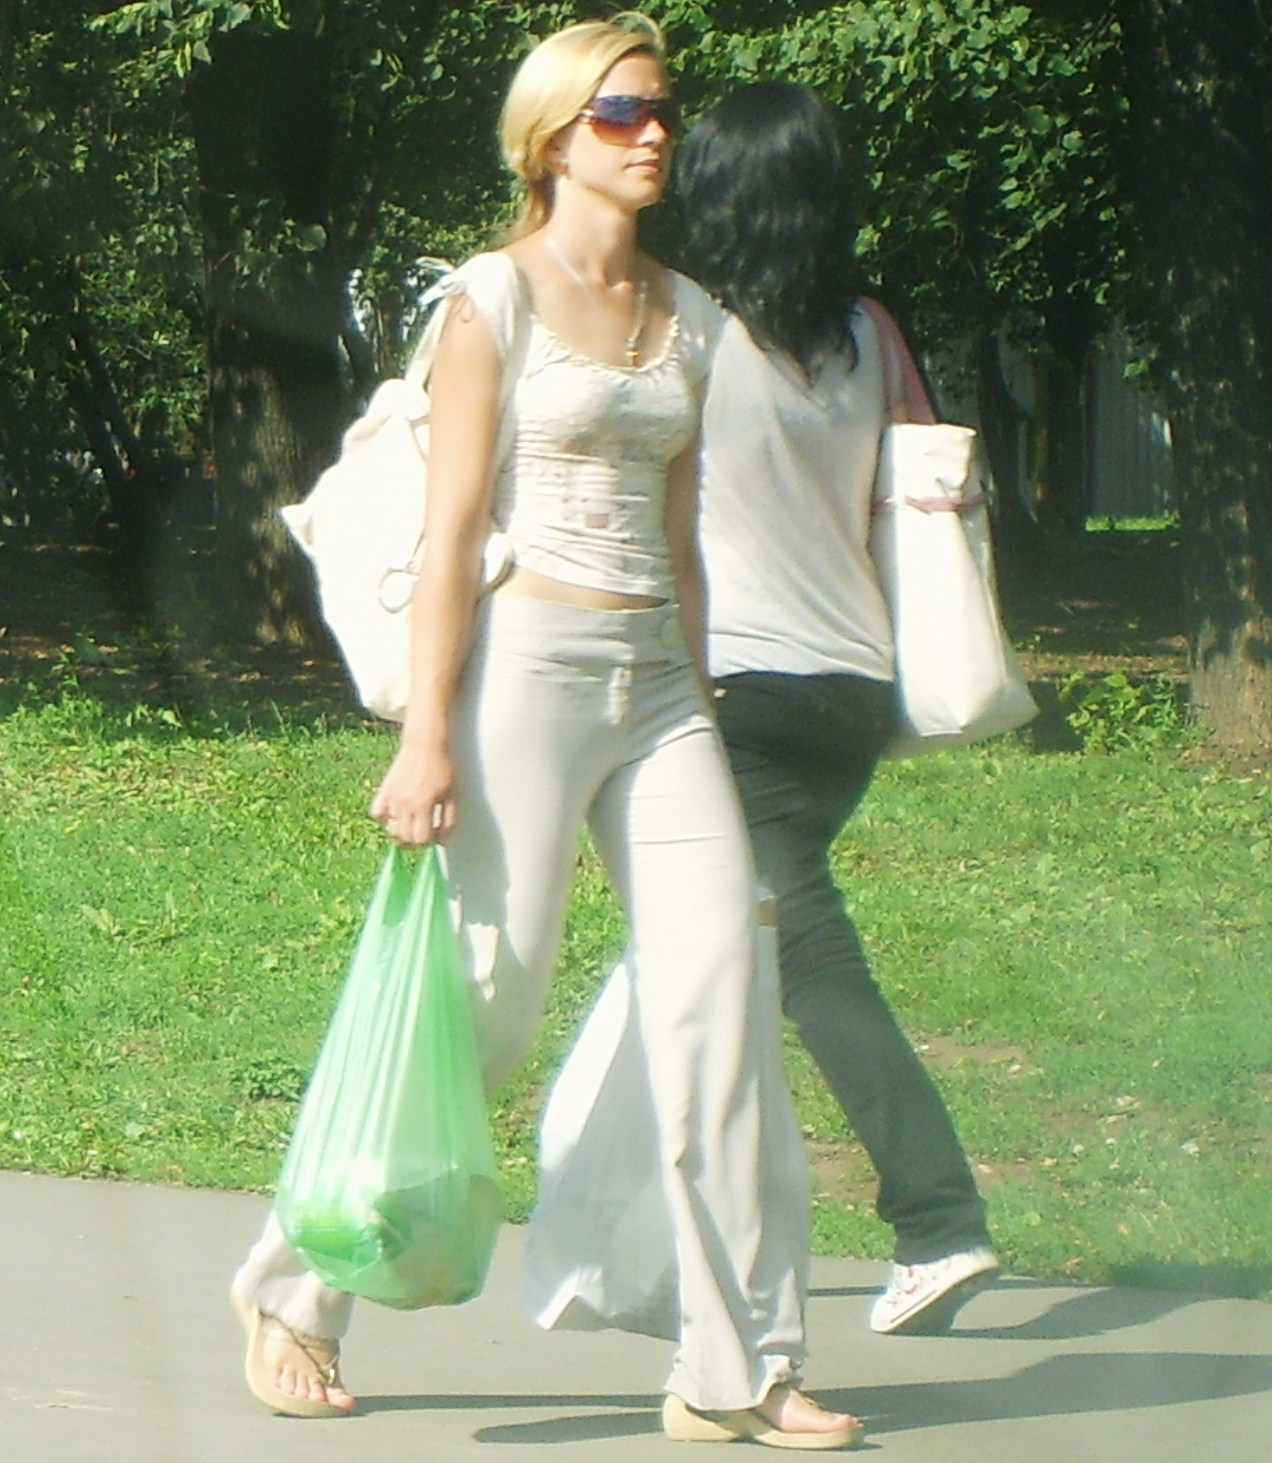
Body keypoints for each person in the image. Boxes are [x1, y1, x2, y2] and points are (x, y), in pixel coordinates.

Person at [231, 18, 862, 1448]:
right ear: (554, 138)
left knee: (721, 1000)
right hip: (522, 672)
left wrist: (703, 706)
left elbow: (685, 538)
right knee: (487, 1005)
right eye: (625, 112)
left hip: (658, 690)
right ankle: (294, 1286)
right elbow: (453, 531)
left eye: (663, 112)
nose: (657, 135)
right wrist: (427, 735)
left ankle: (737, 1363)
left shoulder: (693, 316)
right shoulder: (490, 302)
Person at [676, 81, 999, 1337]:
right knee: (725, 951)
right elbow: (915, 484)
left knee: (802, 955)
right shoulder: (871, 330)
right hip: (855, 692)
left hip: (740, 691)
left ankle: (939, 1216)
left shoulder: (692, 329)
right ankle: (686, 1233)